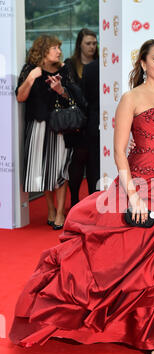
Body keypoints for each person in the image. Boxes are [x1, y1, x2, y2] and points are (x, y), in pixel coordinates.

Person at [9, 38, 154, 354]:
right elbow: (119, 152)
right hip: (139, 185)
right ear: (143, 63)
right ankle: (135, 333)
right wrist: (133, 196)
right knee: (132, 262)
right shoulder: (131, 98)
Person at [16, 35, 84, 229]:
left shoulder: (64, 69)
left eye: (59, 48)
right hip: (38, 126)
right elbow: (20, 97)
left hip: (61, 127)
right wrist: (31, 78)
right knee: (45, 169)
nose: (59, 51)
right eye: (55, 48)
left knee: (61, 169)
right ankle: (51, 209)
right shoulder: (30, 70)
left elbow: (74, 96)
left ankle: (61, 212)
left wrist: (61, 89)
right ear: (44, 50)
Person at [64, 28, 99, 207]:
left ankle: (91, 200)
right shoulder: (70, 64)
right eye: (88, 43)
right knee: (78, 158)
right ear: (80, 45)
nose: (92, 47)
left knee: (93, 161)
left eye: (94, 43)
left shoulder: (101, 64)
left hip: (94, 118)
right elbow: (69, 90)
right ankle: (75, 198)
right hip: (77, 120)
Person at [81, 59, 100, 194]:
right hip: (95, 122)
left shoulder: (89, 68)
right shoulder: (90, 68)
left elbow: (84, 98)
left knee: (94, 164)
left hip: (94, 120)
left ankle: (93, 196)